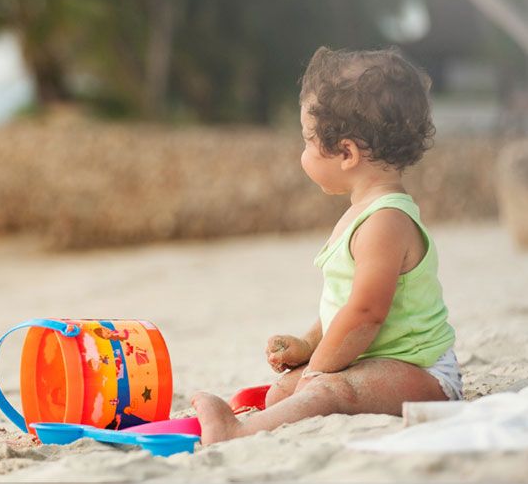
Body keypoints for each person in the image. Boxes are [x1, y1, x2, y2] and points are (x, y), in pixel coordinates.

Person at [192, 46, 462, 444]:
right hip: (380, 360)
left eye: (307, 140)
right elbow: (346, 305)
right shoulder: (363, 213)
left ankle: (234, 432)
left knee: (327, 390)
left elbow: (366, 313)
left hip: (423, 374)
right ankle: (278, 405)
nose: (303, 153)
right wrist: (308, 345)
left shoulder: (385, 221)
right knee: (283, 392)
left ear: (347, 153)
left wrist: (318, 371)